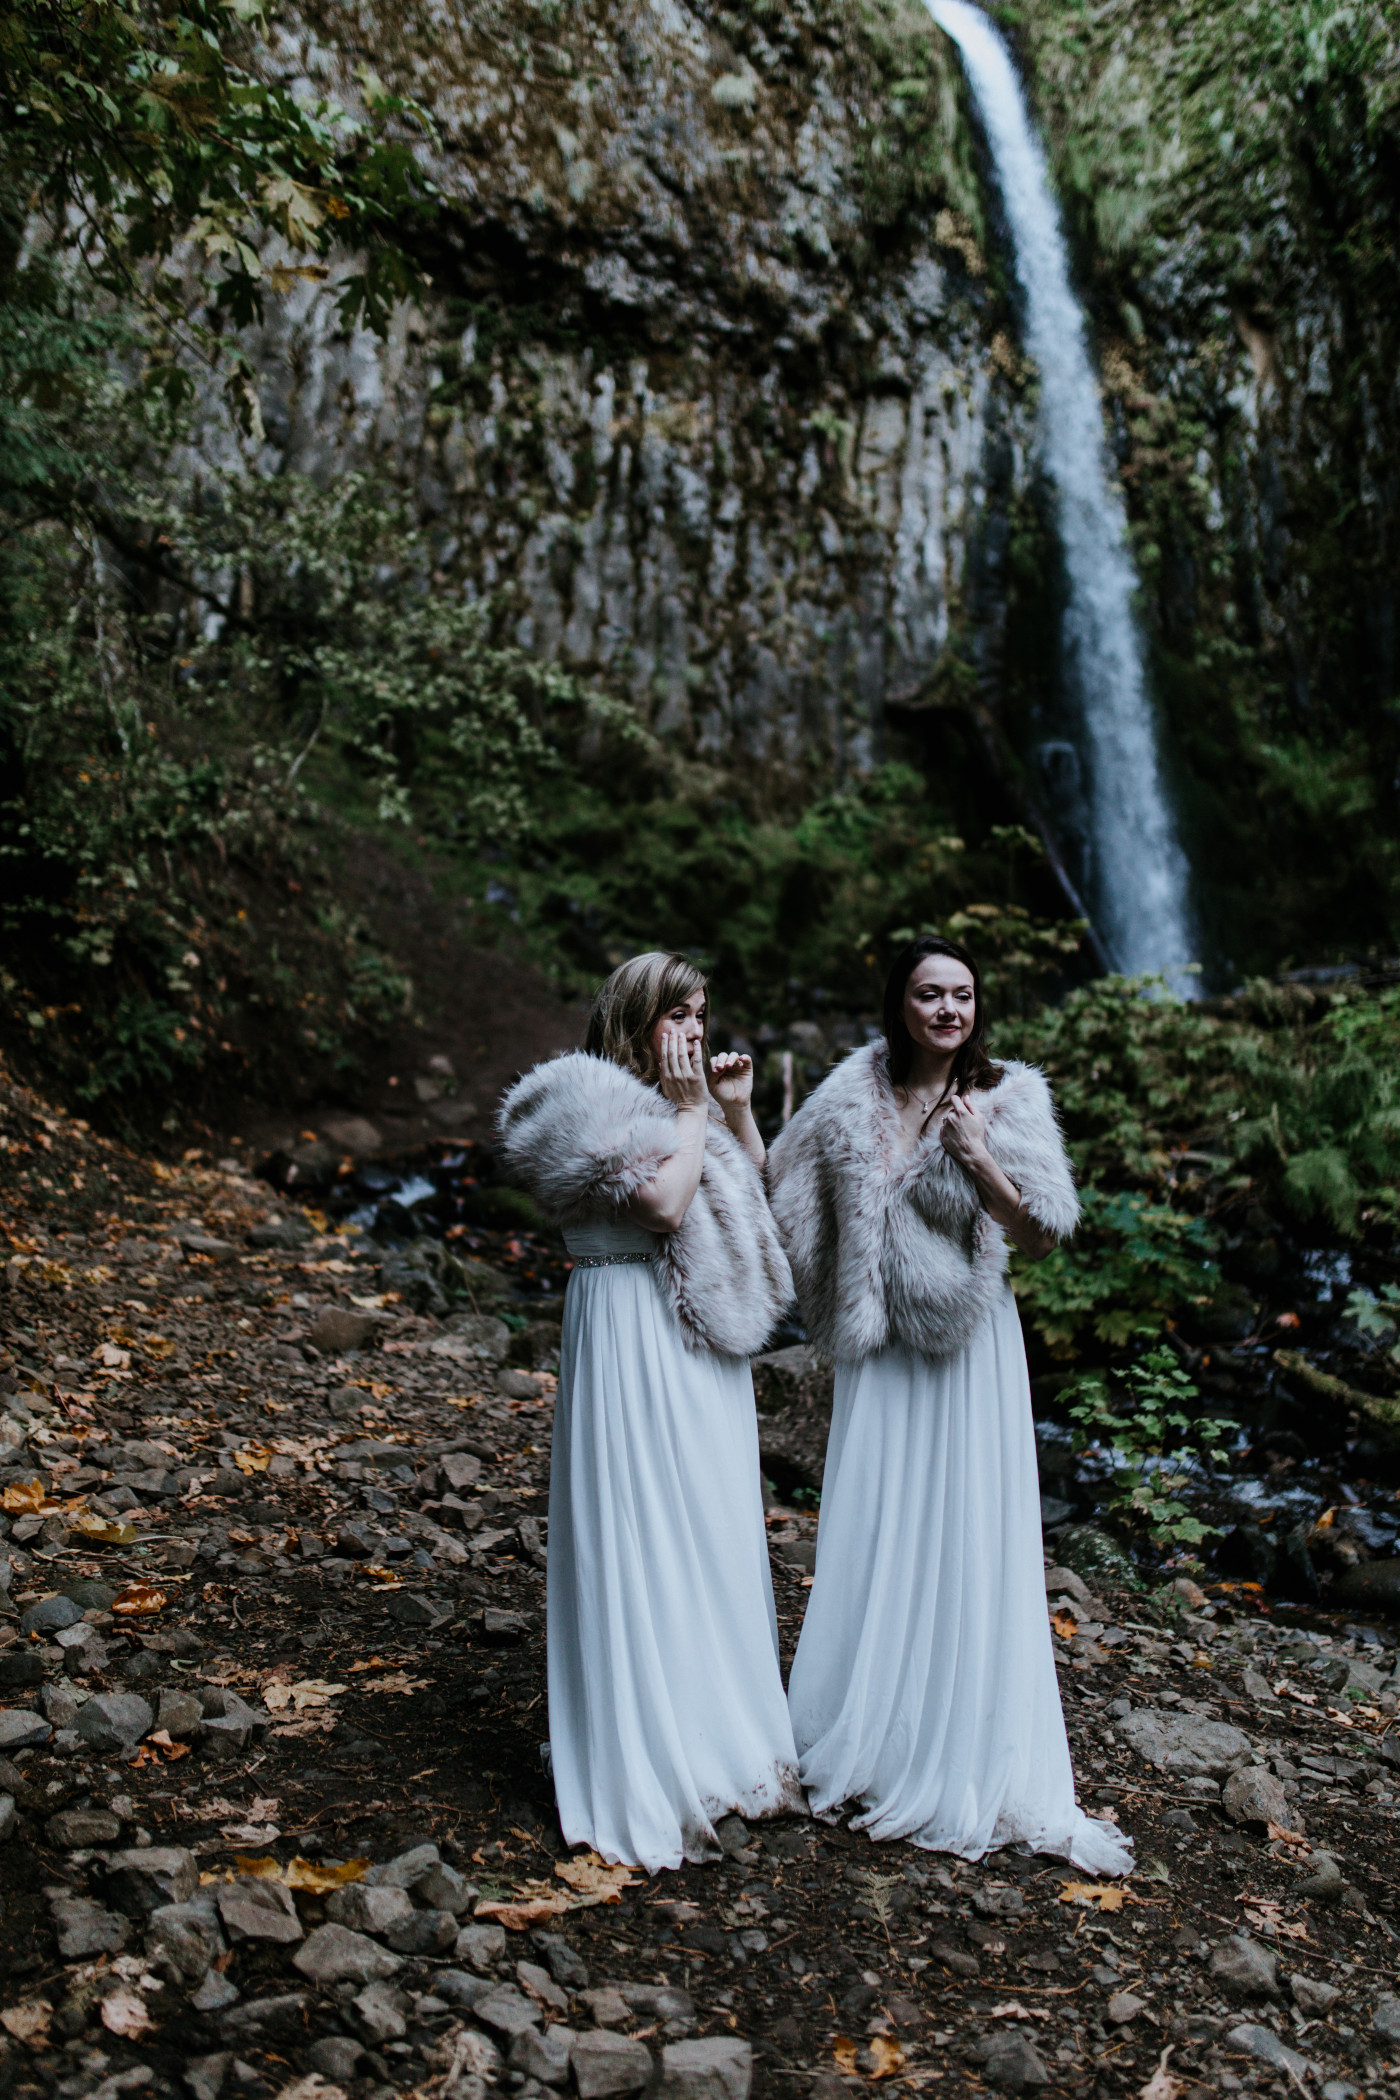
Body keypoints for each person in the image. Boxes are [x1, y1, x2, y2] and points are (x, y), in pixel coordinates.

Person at [766, 934, 1132, 1873]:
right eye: (929, 994)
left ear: (978, 1008)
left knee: (966, 1528)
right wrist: (729, 1114)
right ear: (900, 1004)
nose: (947, 1011)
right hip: (875, 1345)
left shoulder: (1008, 1096)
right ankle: (868, 1732)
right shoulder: (851, 1092)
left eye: (962, 995)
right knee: (877, 1522)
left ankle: (961, 1745)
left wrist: (977, 1159)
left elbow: (1045, 1232)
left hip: (968, 1344)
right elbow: (782, 1188)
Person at [497, 951, 803, 1871]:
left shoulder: (689, 1106)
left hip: (699, 1341)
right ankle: (645, 1752)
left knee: (708, 1530)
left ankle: (720, 1739)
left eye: (706, 1011)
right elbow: (666, 1208)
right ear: (637, 1016)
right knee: (639, 1529)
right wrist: (690, 1110)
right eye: (682, 1013)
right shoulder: (576, 1101)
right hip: (630, 1326)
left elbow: (762, 1203)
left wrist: (738, 1112)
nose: (699, 1030)